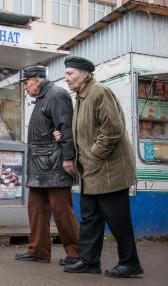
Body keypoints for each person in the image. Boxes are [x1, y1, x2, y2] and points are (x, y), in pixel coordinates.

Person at [57, 56, 143, 278]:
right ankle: (89, 261)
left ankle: (130, 263)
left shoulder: (99, 92)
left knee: (118, 219)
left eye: (70, 73)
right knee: (90, 218)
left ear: (85, 74)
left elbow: (112, 129)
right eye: (66, 74)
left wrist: (95, 155)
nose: (66, 78)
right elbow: (86, 131)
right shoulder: (81, 97)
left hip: (109, 170)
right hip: (91, 172)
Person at [15, 66, 79, 266]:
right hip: (40, 166)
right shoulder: (44, 97)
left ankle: (76, 253)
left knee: (62, 212)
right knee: (36, 209)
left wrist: (69, 158)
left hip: (55, 164)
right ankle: (38, 251)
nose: (25, 88)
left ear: (37, 79)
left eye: (26, 83)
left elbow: (65, 128)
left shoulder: (56, 95)